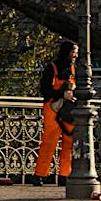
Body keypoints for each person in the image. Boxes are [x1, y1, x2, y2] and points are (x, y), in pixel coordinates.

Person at [33, 39, 79, 184]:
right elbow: (45, 89)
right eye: (73, 52)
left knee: (69, 142)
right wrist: (61, 93)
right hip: (52, 108)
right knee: (49, 141)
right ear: (66, 52)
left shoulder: (73, 69)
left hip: (67, 109)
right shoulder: (51, 68)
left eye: (76, 52)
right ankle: (40, 175)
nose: (75, 55)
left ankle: (64, 175)